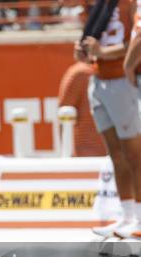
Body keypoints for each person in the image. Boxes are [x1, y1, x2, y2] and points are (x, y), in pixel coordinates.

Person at [75, 0, 141, 239]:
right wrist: (85, 51)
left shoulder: (132, 3)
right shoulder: (101, 4)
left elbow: (135, 41)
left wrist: (103, 52)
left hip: (122, 81)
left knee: (134, 153)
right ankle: (127, 216)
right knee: (116, 153)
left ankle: (139, 218)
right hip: (99, 78)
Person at [58, 62, 107, 157]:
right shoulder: (79, 73)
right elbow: (63, 115)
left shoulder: (118, 73)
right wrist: (68, 153)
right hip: (87, 157)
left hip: (115, 156)